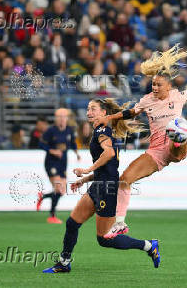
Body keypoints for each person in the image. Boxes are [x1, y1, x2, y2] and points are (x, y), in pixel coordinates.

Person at [95, 45, 187, 238]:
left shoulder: (179, 96)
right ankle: (120, 223)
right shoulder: (147, 100)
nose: (154, 87)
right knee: (124, 180)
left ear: (168, 86)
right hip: (157, 153)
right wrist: (109, 119)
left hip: (178, 148)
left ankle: (180, 139)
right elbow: (130, 113)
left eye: (158, 85)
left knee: (177, 126)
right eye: (153, 84)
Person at [42, 98, 160, 274]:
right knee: (72, 223)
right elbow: (107, 168)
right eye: (88, 108)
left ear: (104, 113)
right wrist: (85, 179)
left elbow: (109, 153)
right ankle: (64, 263)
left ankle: (149, 246)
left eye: (93, 109)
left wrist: (87, 169)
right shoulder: (100, 129)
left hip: (107, 190)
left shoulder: (103, 129)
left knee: (104, 240)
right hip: (99, 185)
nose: (89, 112)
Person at [37, 108, 80, 224]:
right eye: (59, 117)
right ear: (56, 119)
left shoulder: (69, 130)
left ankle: (44, 196)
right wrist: (52, 151)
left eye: (64, 117)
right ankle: (52, 216)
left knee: (61, 191)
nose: (61, 119)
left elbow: (72, 143)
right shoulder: (50, 131)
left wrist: (76, 153)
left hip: (63, 163)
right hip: (51, 162)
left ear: (67, 118)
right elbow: (41, 144)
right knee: (58, 187)